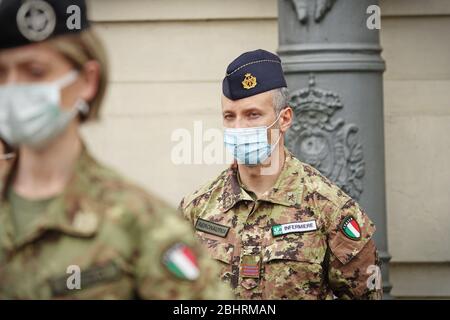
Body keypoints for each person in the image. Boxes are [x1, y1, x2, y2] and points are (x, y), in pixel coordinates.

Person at [0, 0, 232, 299]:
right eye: (2, 73)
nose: (15, 87)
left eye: (34, 72)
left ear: (87, 80)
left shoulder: (141, 223)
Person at [179, 49, 382, 300]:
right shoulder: (198, 208)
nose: (239, 127)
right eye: (230, 116)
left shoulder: (330, 209)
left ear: (284, 118)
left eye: (253, 115)